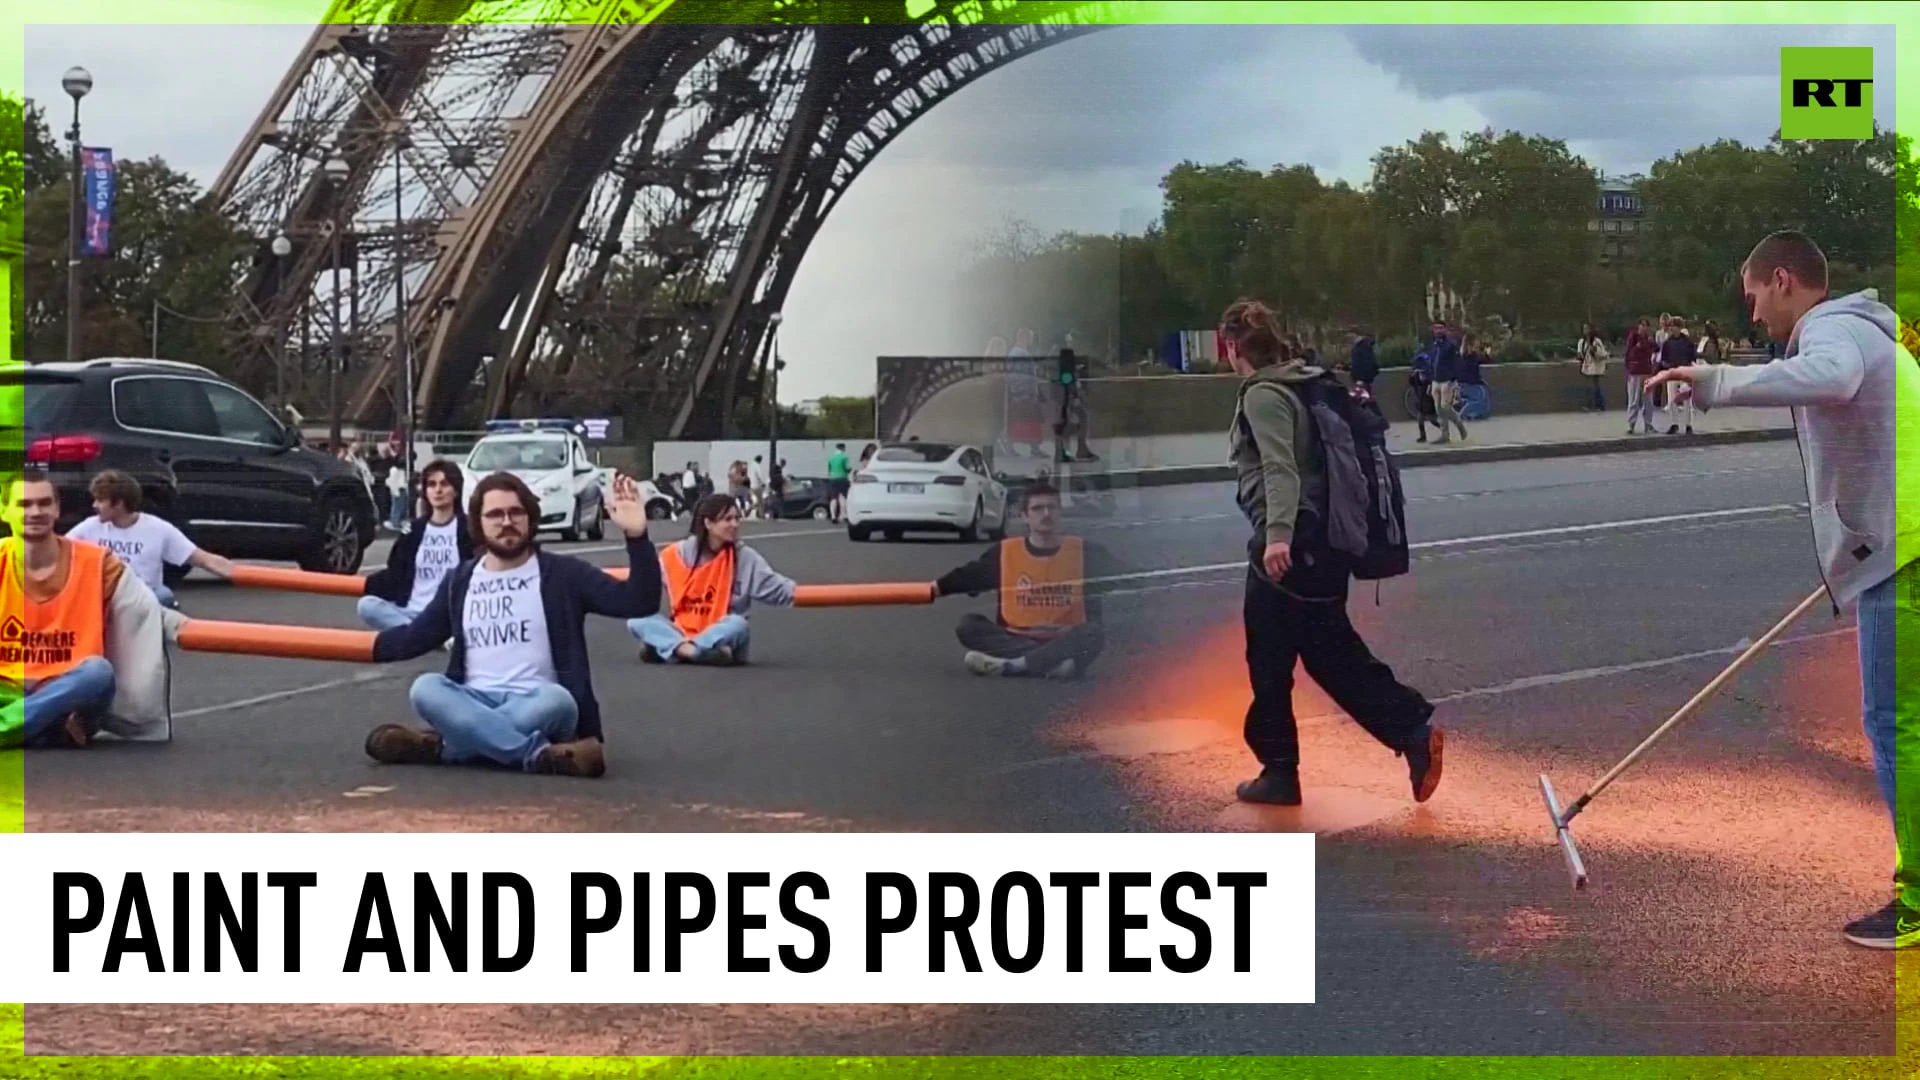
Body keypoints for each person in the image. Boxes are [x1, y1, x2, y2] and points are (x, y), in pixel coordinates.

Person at [1647, 230, 1920, 949]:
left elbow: (1827, 379)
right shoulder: (1871, 331)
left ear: (1781, 279)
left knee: (1896, 724)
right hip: (1896, 543)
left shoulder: (1833, 333)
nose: (1753, 316)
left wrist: (1713, 380)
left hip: (1905, 554)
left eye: (1755, 298)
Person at [1219, 298, 1444, 807]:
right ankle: (1410, 730)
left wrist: (1277, 536)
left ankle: (1280, 773)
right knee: (1330, 652)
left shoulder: (1264, 394)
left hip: (1291, 547)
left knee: (1269, 660)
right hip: (1327, 542)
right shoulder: (1306, 381)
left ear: (1233, 347)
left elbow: (1280, 468)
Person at [358, 472, 662, 779]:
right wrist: (347, 646)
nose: (506, 521)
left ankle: (448, 746)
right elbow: (415, 637)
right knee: (425, 689)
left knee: (558, 701)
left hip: (538, 701)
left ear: (530, 518)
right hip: (472, 698)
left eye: (515, 512)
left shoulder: (563, 574)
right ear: (478, 523)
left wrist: (637, 536)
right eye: (494, 514)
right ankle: (537, 755)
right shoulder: (460, 581)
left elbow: (638, 602)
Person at [2, 471, 171, 748]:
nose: (35, 512)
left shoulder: (97, 562)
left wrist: (178, 624)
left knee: (98, 673)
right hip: (7, 687)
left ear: (56, 509)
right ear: (3, 510)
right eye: (23, 504)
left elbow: (144, 607)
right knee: (55, 712)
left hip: (73, 686)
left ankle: (15, 725)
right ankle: (48, 725)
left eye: (44, 503)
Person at [933, 481, 1113, 678]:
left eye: (1051, 507)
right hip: (1015, 637)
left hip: (1066, 638)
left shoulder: (1088, 552)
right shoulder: (1005, 552)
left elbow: (1133, 577)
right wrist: (933, 589)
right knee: (968, 626)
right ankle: (1048, 664)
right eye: (1037, 509)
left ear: (1060, 512)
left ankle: (1014, 665)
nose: (1045, 514)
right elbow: (967, 576)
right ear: (1024, 516)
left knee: (1093, 632)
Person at [630, 493, 796, 666]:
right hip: (683, 630)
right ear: (708, 523)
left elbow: (775, 588)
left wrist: (803, 593)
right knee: (637, 617)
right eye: (727, 519)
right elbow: (645, 581)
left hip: (723, 634)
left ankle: (672, 648)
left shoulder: (744, 557)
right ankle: (694, 651)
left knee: (738, 624)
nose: (735, 525)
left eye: (736, 519)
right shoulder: (677, 554)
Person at [66, 470, 234, 610]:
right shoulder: (90, 527)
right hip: (104, 597)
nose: (94, 505)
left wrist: (241, 573)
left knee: (164, 596)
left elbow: (202, 558)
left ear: (119, 503)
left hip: (143, 598)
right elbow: (57, 549)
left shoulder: (158, 529)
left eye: (100, 500)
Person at [357, 459, 473, 631]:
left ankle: (421, 636)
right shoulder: (413, 530)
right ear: (425, 491)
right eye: (432, 485)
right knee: (367, 606)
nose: (438, 490)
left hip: (450, 614)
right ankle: (426, 635)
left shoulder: (469, 529)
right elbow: (395, 571)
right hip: (411, 611)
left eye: (444, 484)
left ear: (456, 490)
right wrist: (366, 585)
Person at [1425, 320, 1468, 443]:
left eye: (1440, 328)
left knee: (1445, 406)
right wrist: (1430, 380)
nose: (1438, 331)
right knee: (1438, 409)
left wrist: (1454, 379)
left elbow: (1457, 363)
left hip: (1447, 380)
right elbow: (1431, 363)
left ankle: (1460, 426)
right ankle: (1445, 435)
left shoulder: (1451, 344)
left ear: (1445, 330)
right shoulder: (1434, 345)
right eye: (1436, 328)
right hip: (1435, 380)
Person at [1657, 316, 1698, 434]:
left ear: (1680, 328)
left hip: (1685, 372)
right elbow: (1663, 359)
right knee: (1671, 399)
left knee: (1686, 400)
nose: (1673, 328)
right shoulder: (1667, 342)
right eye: (1671, 326)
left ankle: (1688, 424)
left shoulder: (1687, 342)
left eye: (1675, 326)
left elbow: (1692, 357)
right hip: (1672, 372)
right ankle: (1674, 423)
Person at [1623, 317, 1659, 434]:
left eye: (1646, 326)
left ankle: (1648, 424)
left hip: (1646, 371)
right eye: (1642, 325)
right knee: (1633, 400)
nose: (1644, 328)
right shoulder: (1633, 338)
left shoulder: (1648, 339)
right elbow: (1629, 354)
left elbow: (1656, 348)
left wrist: (1649, 341)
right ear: (1638, 326)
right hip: (1635, 372)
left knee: (1648, 401)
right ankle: (1631, 424)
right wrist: (1628, 369)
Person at [1576, 323, 1609, 412]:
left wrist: (1594, 351)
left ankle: (1599, 405)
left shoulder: (1596, 341)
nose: (1585, 330)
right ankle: (1589, 405)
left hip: (1595, 366)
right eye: (1584, 328)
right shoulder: (1581, 342)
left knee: (1595, 386)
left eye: (1587, 328)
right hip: (1587, 366)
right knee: (1588, 387)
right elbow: (1580, 354)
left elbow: (1603, 353)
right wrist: (1580, 355)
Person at [826, 443, 852, 523]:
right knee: (843, 497)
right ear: (843, 448)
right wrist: (849, 470)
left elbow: (829, 470)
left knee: (833, 498)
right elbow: (847, 468)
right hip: (842, 478)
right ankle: (843, 515)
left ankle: (833, 516)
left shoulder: (831, 458)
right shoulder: (844, 457)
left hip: (833, 479)